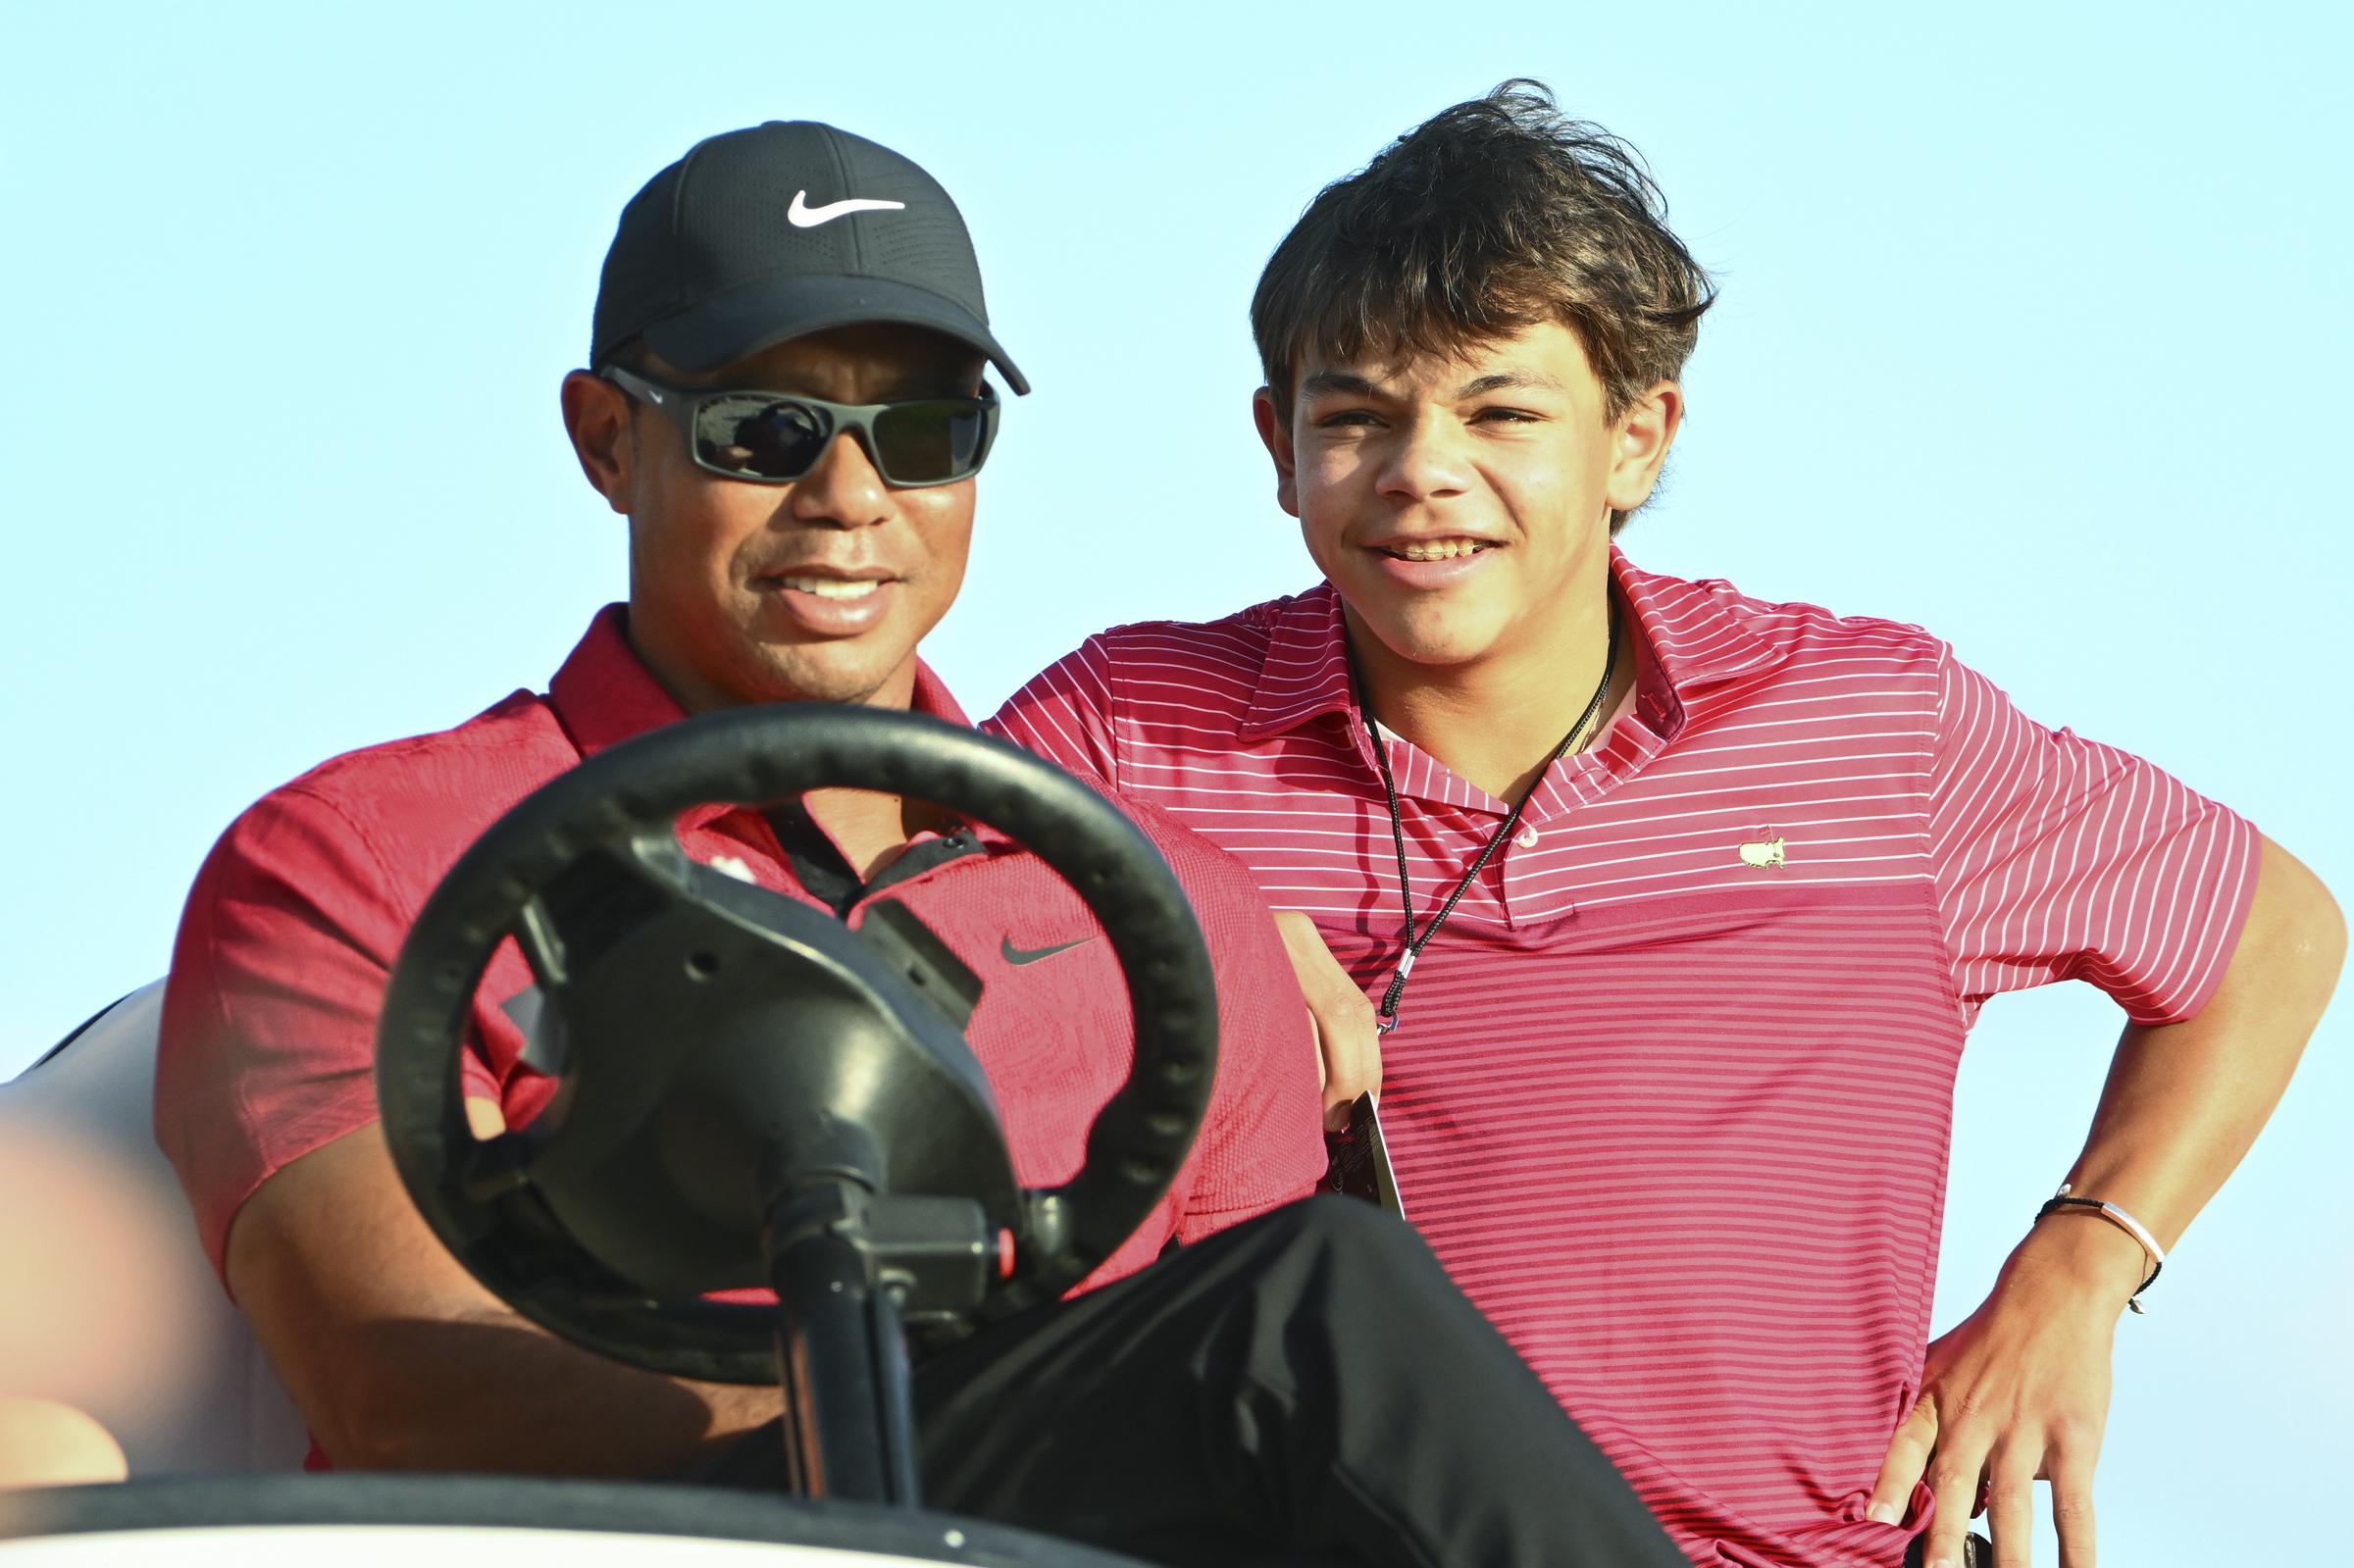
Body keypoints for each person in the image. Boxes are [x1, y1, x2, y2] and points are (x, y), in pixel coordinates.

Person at [150, 119, 1684, 1568]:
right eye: (766, 430)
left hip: (1049, 1534)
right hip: (643, 1540)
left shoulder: (1170, 920)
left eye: (921, 432)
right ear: (608, 440)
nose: (848, 498)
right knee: (1318, 1307)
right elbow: (414, 1391)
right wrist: (987, 1375)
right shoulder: (359, 856)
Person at [988, 82, 2345, 1568]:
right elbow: (858, 935)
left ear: (1639, 438)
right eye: (1357, 415)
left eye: (1503, 411)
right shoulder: (1127, 729)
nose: (1423, 469)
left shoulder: (1871, 724)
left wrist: (2081, 1265)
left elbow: (2268, 929)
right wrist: (1207, 921)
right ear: (1276, 440)